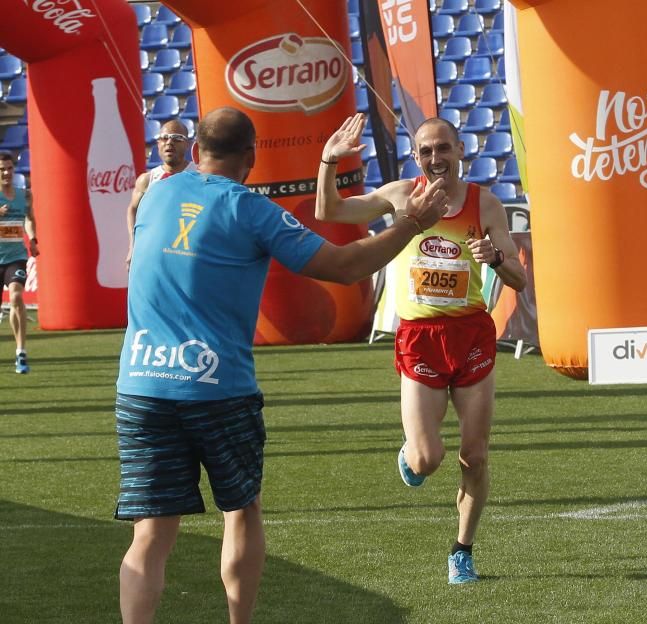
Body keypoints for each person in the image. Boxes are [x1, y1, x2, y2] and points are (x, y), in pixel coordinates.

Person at [115, 107, 447, 624]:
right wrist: (411, 223)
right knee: (241, 510)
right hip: (216, 387)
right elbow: (343, 266)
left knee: (151, 533)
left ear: (196, 147)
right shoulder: (249, 208)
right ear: (251, 157)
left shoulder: (156, 192)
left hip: (141, 384)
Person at [316, 113, 527, 584]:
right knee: (427, 459)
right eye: (426, 151)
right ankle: (410, 454)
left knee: (476, 455)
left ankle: (462, 550)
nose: (436, 158)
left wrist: (494, 258)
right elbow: (329, 211)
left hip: (471, 335)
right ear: (417, 158)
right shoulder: (398, 197)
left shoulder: (485, 204)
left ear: (459, 153)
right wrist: (329, 160)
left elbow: (519, 276)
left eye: (443, 149)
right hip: (420, 338)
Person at [125, 118, 197, 267]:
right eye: (164, 138)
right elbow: (132, 209)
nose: (169, 142)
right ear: (158, 144)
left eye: (177, 138)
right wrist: (133, 245)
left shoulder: (200, 176)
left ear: (188, 144)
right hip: (155, 257)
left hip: (189, 257)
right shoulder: (146, 180)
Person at [0, 152, 38, 374]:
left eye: (9, 168)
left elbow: (30, 219)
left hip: (16, 256)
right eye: (1, 169)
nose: (6, 173)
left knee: (16, 296)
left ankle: (20, 352)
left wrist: (32, 239)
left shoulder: (24, 195)